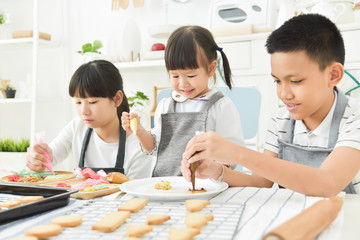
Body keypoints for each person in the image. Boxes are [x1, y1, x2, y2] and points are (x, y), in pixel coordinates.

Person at [181, 14, 360, 197]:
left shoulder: (355, 119)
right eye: (277, 81)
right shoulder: (281, 120)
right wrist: (216, 171)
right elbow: (260, 182)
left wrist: (236, 153)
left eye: (296, 81)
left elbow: (327, 183)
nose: (284, 94)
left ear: (333, 75)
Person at [122, 25, 245, 177]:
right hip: (167, 187)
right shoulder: (166, 105)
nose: (182, 84)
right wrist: (139, 131)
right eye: (174, 76)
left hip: (206, 186)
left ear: (211, 68)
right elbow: (153, 147)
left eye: (191, 76)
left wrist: (214, 165)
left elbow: (233, 154)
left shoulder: (220, 106)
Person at [26, 60, 152, 178]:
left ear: (117, 99)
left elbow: (135, 196)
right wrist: (38, 159)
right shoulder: (77, 127)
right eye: (78, 102)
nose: (83, 112)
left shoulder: (138, 145)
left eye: (92, 102)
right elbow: (50, 157)